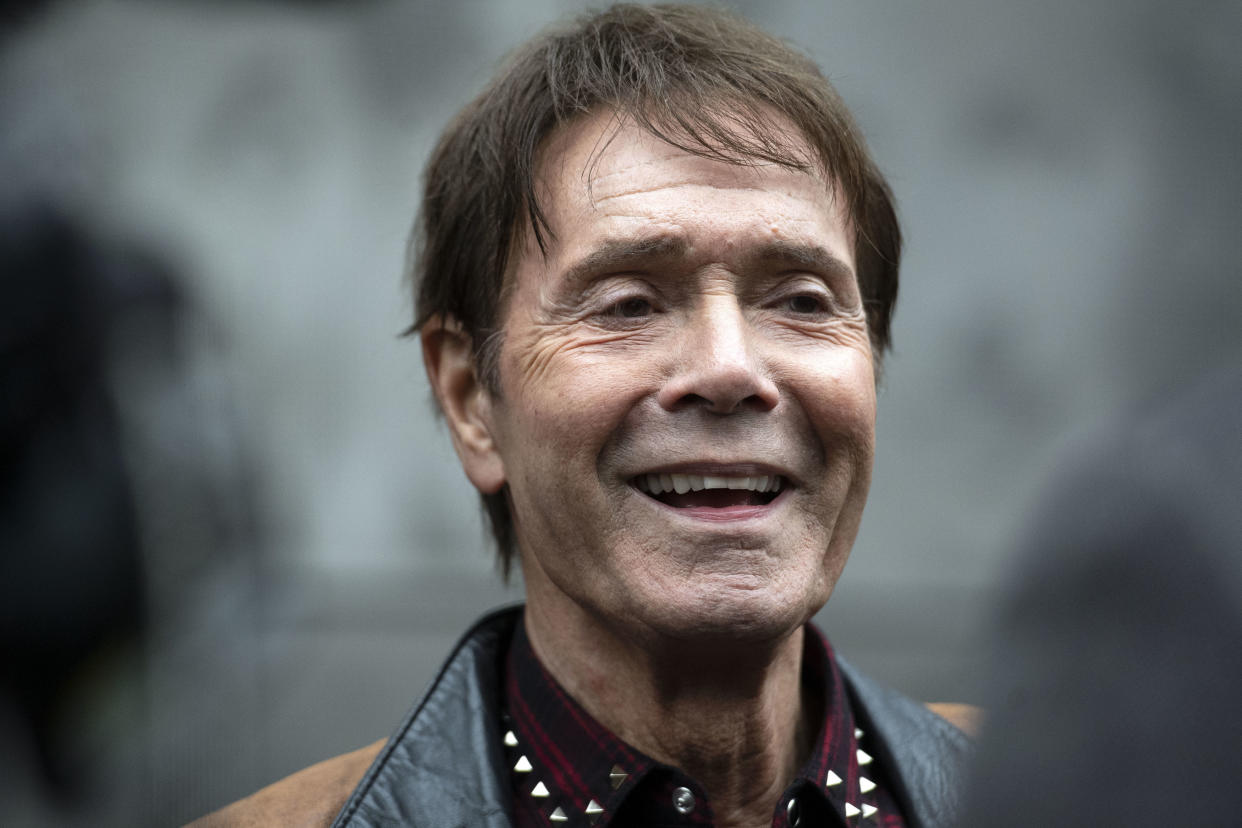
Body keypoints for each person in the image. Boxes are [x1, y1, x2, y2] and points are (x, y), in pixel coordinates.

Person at [193, 5, 977, 827]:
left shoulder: (1054, 791)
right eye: (628, 304)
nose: (730, 369)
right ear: (470, 402)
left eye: (801, 301)